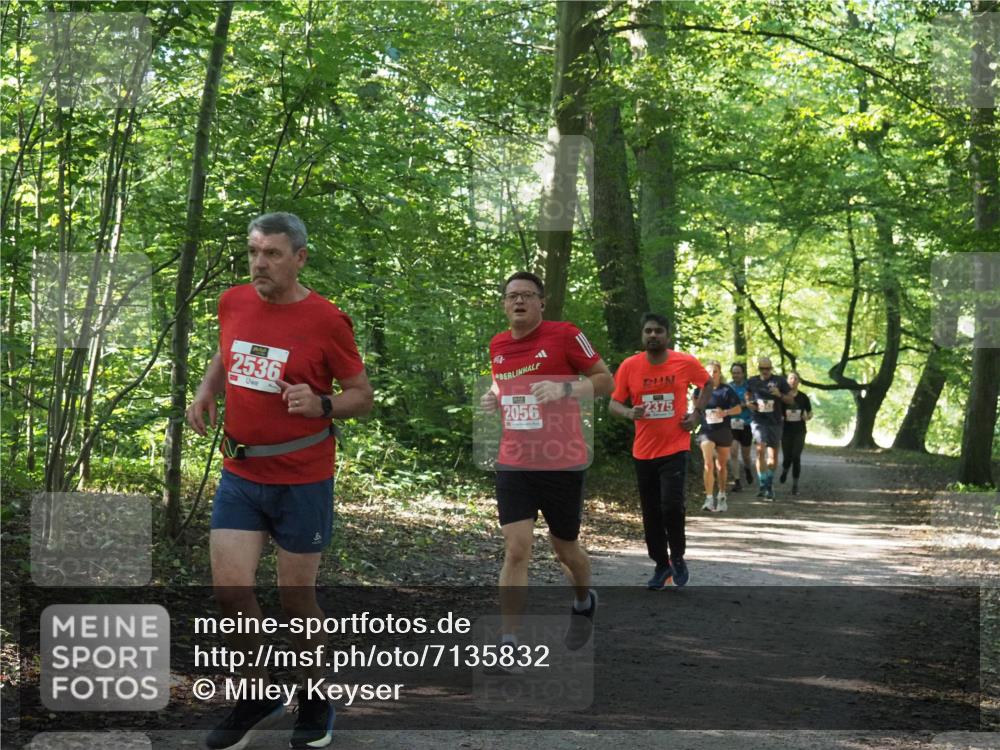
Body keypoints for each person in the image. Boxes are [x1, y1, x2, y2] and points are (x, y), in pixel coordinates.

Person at [186, 212, 374, 750]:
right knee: (230, 590)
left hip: (302, 478)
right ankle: (256, 692)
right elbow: (227, 350)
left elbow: (362, 395)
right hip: (241, 473)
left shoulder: (327, 320)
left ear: (299, 257)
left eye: (271, 254)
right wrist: (207, 391)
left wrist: (322, 403)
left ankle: (315, 698)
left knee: (296, 599)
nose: (259, 263)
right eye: (253, 252)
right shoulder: (233, 301)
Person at [479, 271, 613, 653]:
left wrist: (565, 387)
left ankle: (584, 600)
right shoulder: (498, 344)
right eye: (511, 296)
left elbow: (607, 380)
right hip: (515, 460)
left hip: (561, 461)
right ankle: (508, 643)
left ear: (541, 302)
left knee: (565, 550)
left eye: (527, 295)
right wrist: (493, 396)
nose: (518, 301)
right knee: (517, 549)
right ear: (504, 304)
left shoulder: (566, 335)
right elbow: (500, 382)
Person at [609, 313, 711, 589]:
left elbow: (708, 383)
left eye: (658, 331)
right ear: (642, 335)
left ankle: (677, 556)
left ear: (667, 335)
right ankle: (660, 564)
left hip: (675, 446)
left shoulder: (684, 362)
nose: (653, 335)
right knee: (651, 511)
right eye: (648, 331)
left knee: (671, 506)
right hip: (643, 452)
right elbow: (613, 404)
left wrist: (697, 414)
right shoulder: (630, 366)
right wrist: (630, 412)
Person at [694, 361, 743, 513]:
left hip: (723, 430)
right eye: (709, 371)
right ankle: (709, 499)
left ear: (719, 373)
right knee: (708, 464)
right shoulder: (699, 390)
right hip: (706, 431)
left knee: (721, 466)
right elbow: (695, 409)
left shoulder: (726, 390)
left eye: (715, 371)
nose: (712, 374)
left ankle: (721, 495)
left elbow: (738, 409)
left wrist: (726, 412)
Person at [744, 357, 794, 501]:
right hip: (758, 421)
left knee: (772, 456)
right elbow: (747, 394)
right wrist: (749, 403)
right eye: (762, 368)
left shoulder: (780, 381)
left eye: (767, 368)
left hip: (775, 421)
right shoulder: (753, 381)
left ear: (771, 368)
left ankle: (769, 484)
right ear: (758, 368)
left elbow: (790, 399)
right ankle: (763, 484)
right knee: (760, 450)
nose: (765, 371)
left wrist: (780, 394)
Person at [780, 371, 812, 494]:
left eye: (795, 379)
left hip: (799, 431)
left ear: (799, 382)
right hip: (786, 431)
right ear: (787, 381)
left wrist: (807, 417)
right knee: (787, 457)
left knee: (796, 456)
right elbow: (777, 412)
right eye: (791, 379)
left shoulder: (803, 397)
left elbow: (810, 412)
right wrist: (781, 418)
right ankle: (784, 470)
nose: (793, 381)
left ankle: (795, 485)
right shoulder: (783, 397)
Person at [727, 362, 755, 492]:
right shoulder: (728, 387)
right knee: (733, 452)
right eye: (734, 372)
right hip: (731, 424)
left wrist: (747, 405)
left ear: (743, 374)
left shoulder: (749, 387)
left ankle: (748, 469)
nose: (736, 375)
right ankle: (737, 481)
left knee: (746, 455)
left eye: (738, 372)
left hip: (746, 424)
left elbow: (753, 404)